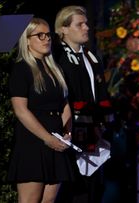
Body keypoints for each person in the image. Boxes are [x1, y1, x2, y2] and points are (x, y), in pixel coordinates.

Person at [7, 18, 75, 203]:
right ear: (27, 40)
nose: (46, 39)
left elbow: (65, 104)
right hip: (33, 141)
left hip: (56, 140)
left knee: (49, 200)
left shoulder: (55, 69)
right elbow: (21, 110)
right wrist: (48, 139)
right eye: (40, 35)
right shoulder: (22, 69)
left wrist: (66, 132)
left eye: (48, 35)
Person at [53, 5, 114, 203]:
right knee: (72, 191)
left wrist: (103, 122)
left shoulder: (90, 56)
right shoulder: (58, 57)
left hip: (93, 133)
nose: (86, 27)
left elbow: (101, 93)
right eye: (80, 24)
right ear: (63, 29)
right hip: (70, 133)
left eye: (86, 23)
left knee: (93, 190)